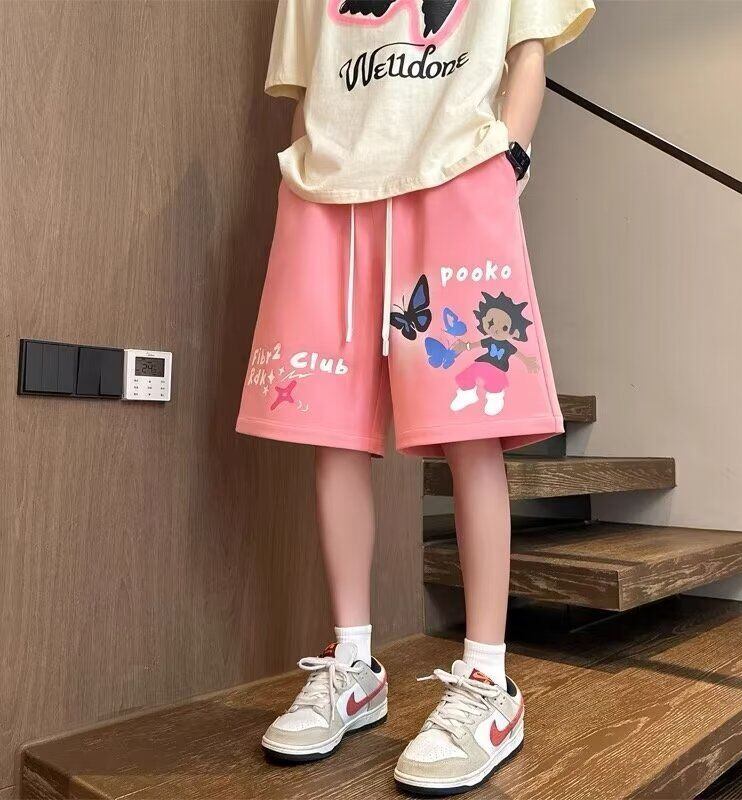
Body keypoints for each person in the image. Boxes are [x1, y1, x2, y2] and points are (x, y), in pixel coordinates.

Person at [237, 0, 594, 794]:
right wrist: (307, 168)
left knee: (472, 430)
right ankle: (353, 665)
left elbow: (528, 44)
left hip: (457, 173)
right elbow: (312, 81)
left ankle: (488, 681)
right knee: (332, 431)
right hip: (329, 193)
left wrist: (510, 159)